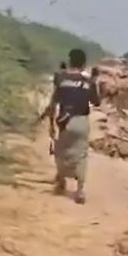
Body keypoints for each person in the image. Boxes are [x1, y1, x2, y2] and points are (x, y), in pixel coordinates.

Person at [46, 48, 101, 204]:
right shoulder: (88, 81)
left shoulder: (61, 79)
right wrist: (94, 81)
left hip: (64, 122)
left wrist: (51, 125)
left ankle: (61, 181)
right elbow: (96, 102)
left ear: (69, 61)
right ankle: (80, 190)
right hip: (81, 121)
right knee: (81, 155)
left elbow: (53, 104)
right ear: (83, 64)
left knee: (61, 152)